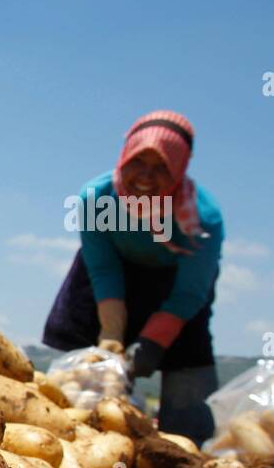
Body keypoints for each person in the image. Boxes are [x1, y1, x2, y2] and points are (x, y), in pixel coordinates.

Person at [42, 110, 224, 443]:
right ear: (124, 156)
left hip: (175, 290)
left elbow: (191, 291)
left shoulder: (202, 219)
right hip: (108, 282)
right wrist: (111, 333)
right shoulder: (96, 199)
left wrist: (153, 342)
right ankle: (73, 441)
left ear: (180, 170)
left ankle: (183, 453)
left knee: (187, 388)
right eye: (138, 162)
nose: (145, 176)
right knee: (85, 378)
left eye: (161, 168)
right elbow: (103, 268)